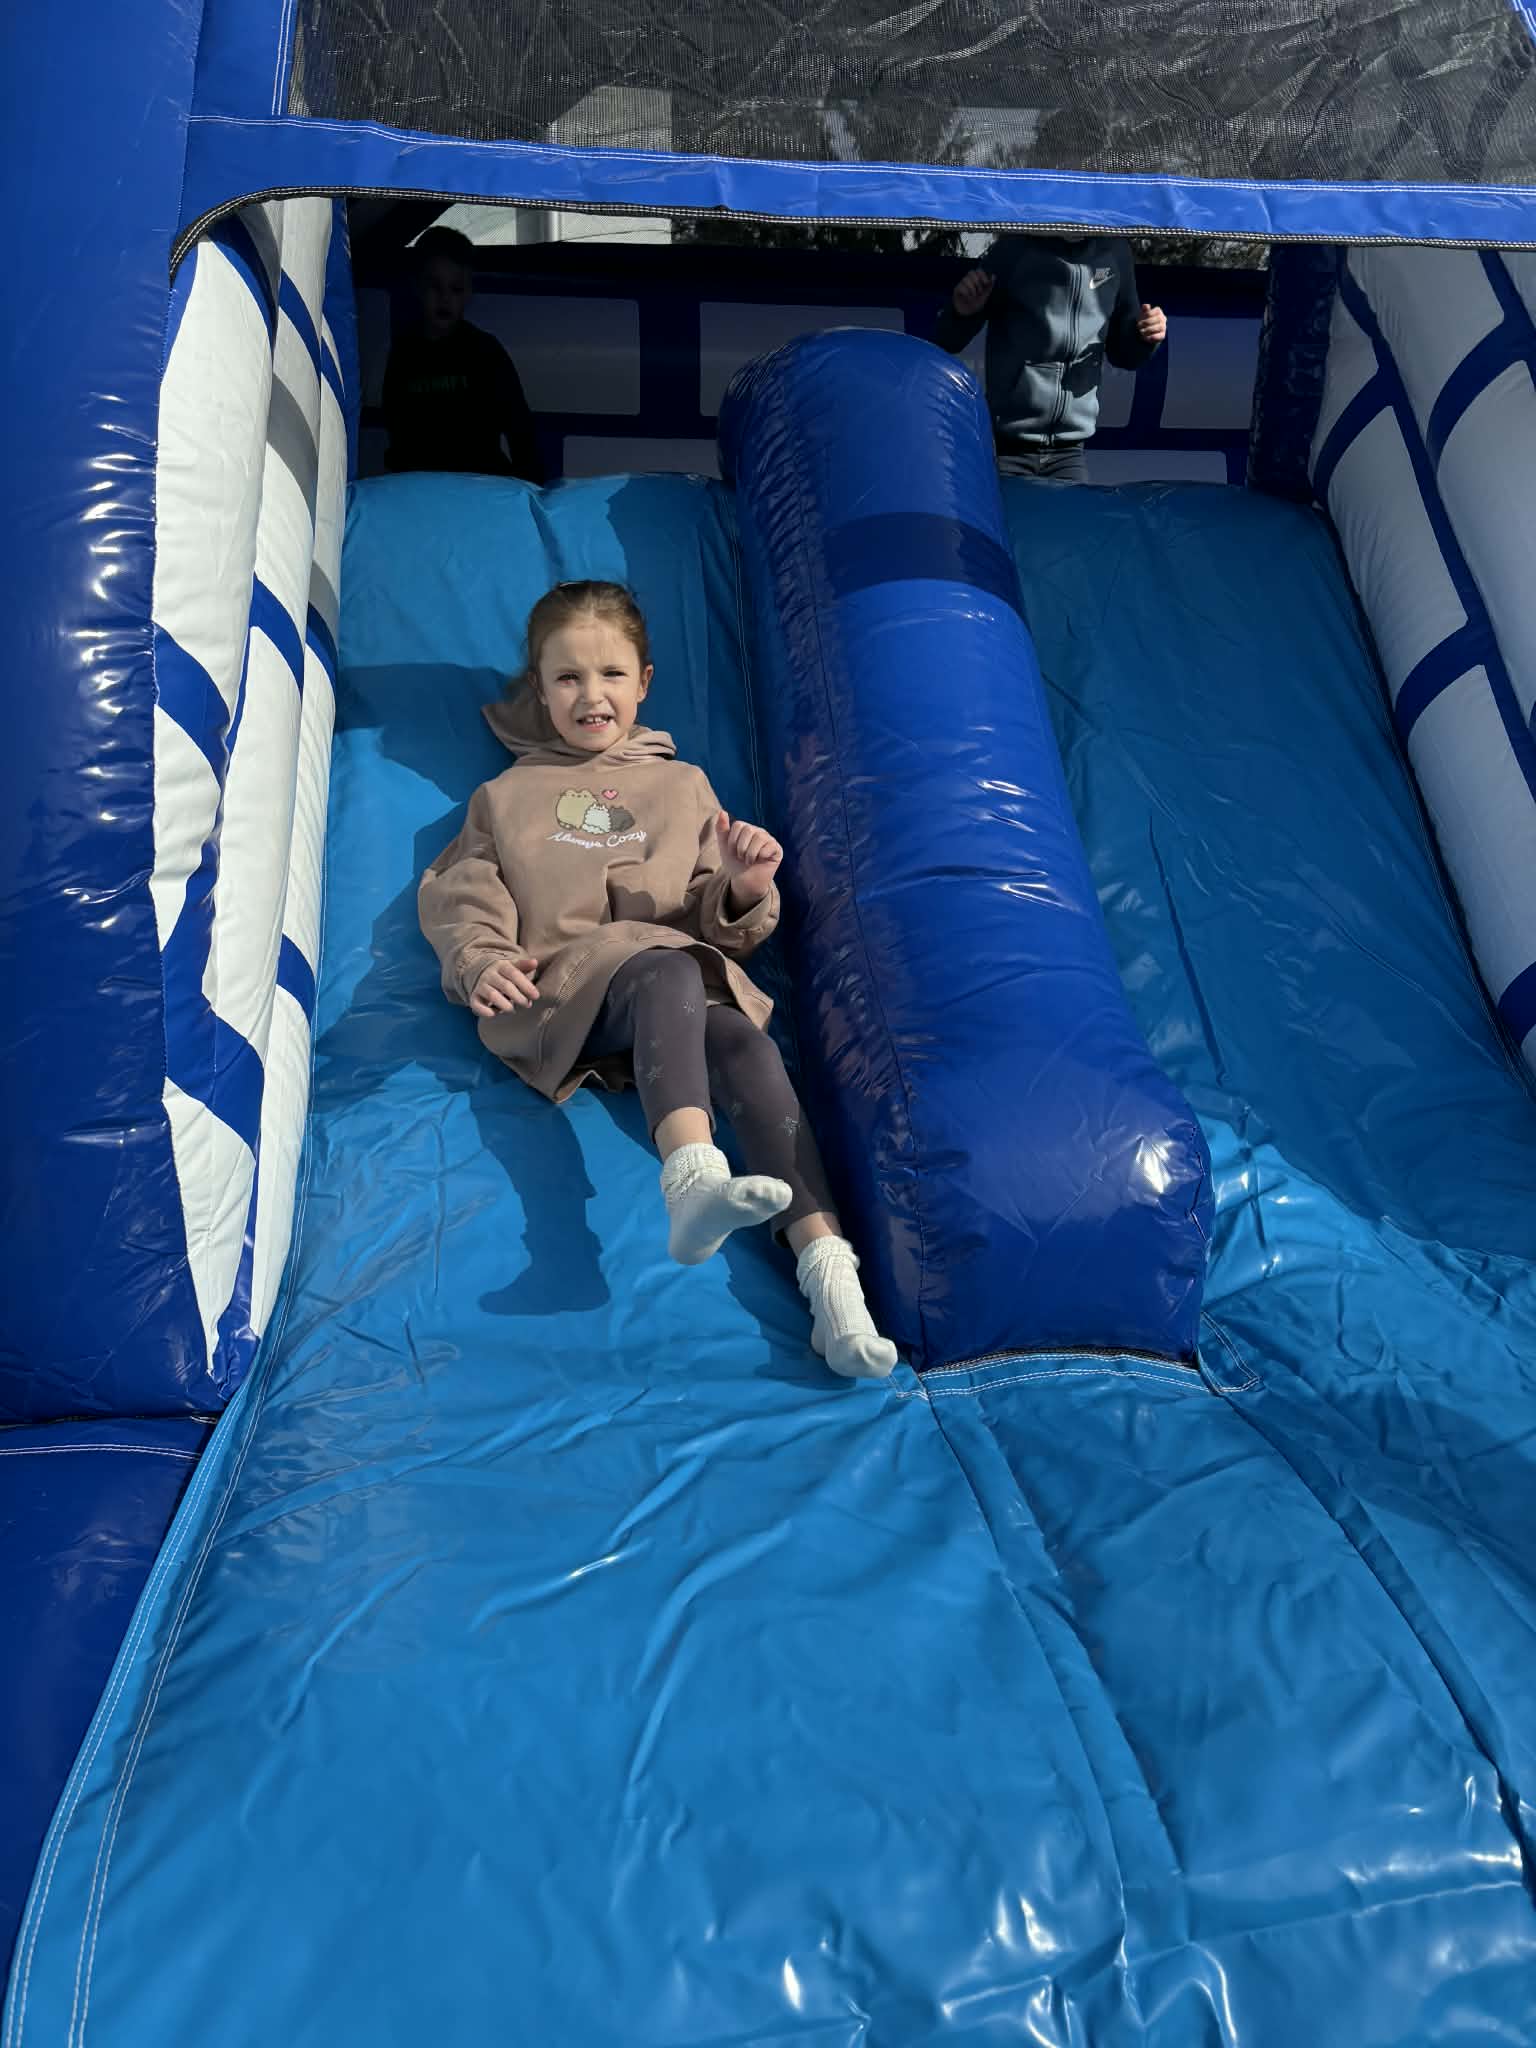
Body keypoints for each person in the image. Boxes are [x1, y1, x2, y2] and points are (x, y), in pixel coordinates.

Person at [418, 579, 898, 1381]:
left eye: (611, 674)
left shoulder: (685, 787)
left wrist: (743, 883)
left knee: (745, 1044)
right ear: (539, 688)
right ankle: (690, 1177)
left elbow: (719, 927)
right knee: (667, 968)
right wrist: (481, 961)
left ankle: (831, 1282)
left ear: (643, 682)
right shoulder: (504, 797)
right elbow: (461, 893)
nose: (590, 695)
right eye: (567, 677)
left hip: (671, 996)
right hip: (562, 992)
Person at [934, 234, 1167, 482]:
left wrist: (1146, 336)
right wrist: (962, 312)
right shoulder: (1013, 249)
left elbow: (1124, 355)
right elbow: (948, 340)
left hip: (1070, 453)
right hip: (1006, 449)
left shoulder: (1115, 251)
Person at [383, 226, 544, 482]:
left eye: (456, 289)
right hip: (421, 490)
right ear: (417, 286)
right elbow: (396, 428)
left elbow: (520, 431)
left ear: (469, 293)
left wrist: (531, 491)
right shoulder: (404, 354)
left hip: (479, 489)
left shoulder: (486, 352)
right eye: (434, 286)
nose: (444, 298)